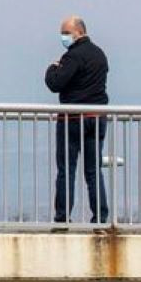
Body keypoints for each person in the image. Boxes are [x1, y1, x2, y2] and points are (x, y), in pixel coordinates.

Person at [44, 15, 110, 226]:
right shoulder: (100, 55)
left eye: (66, 33)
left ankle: (62, 217)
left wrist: (51, 68)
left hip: (72, 119)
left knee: (66, 170)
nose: (63, 37)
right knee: (93, 170)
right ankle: (100, 217)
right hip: (97, 117)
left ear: (79, 32)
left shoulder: (72, 57)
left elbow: (56, 83)